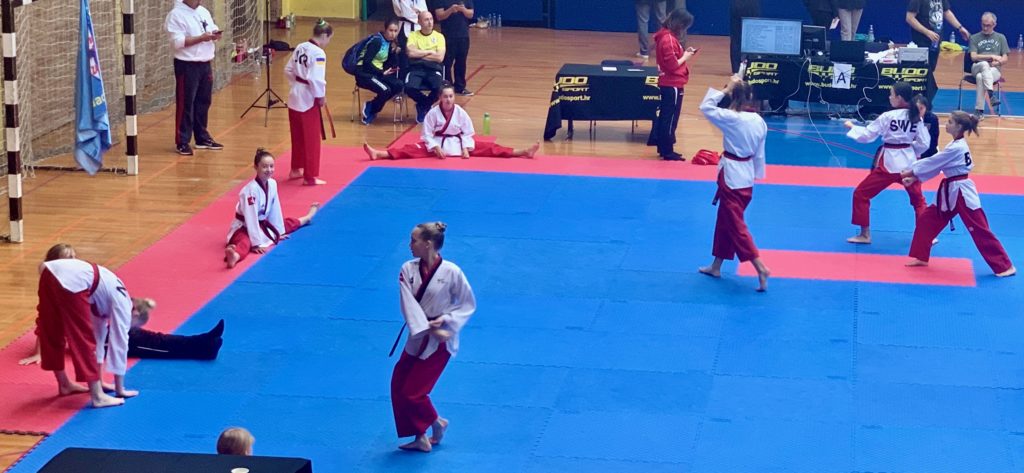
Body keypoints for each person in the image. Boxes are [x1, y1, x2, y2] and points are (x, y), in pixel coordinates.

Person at [391, 222, 476, 452]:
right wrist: (428, 328)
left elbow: (467, 304)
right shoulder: (407, 269)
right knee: (398, 384)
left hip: (440, 341)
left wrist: (445, 320)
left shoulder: (451, 271)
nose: (410, 245)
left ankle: (437, 423)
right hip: (419, 333)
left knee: (414, 393)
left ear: (428, 244)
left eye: (414, 240)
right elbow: (408, 305)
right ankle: (421, 435)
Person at [900, 111, 1016, 277]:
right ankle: (921, 256)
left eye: (950, 122)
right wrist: (915, 177)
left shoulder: (957, 147)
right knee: (926, 220)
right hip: (950, 190)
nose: (946, 124)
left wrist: (910, 171)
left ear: (959, 126)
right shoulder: (954, 144)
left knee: (979, 228)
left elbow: (934, 161)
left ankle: (1004, 266)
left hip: (962, 192)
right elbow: (939, 166)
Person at [35, 244, 138, 408]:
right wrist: (120, 389)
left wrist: (101, 380)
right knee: (82, 337)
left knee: (52, 329)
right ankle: (98, 396)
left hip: (49, 272)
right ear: (135, 312)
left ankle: (64, 384)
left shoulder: (104, 299)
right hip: (72, 280)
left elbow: (100, 338)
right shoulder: (123, 303)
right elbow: (119, 342)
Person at [697, 76, 771, 292]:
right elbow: (759, 154)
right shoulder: (759, 121)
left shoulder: (731, 118)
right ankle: (716, 266)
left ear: (734, 98)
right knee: (725, 221)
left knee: (736, 226)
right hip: (746, 176)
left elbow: (706, 107)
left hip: (731, 178)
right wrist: (756, 175)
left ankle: (760, 267)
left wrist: (726, 89)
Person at [843, 82, 931, 244]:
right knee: (918, 200)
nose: (890, 97)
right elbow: (924, 143)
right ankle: (926, 235)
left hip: (888, 165)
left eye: (892, 94)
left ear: (899, 98)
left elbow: (867, 136)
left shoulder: (887, 116)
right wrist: (911, 151)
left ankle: (865, 235)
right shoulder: (916, 117)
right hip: (909, 165)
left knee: (861, 194)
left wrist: (852, 127)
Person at [21, 297, 225, 364]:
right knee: (155, 345)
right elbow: (42, 328)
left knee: (156, 339)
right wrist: (39, 353)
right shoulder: (56, 310)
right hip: (104, 344)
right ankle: (204, 348)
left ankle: (203, 341)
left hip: (107, 334)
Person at [363, 83, 539, 160]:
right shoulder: (433, 113)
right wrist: (435, 147)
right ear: (440, 98)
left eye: (451, 96)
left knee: (491, 148)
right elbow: (426, 135)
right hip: (438, 144)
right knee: (409, 149)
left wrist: (466, 148)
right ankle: (379, 154)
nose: (448, 99)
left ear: (454, 97)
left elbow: (468, 133)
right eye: (445, 97)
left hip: (459, 143)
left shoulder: (460, 112)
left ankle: (524, 151)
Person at [225, 149, 320, 268]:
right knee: (246, 241)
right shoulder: (250, 191)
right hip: (244, 227)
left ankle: (307, 217)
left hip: (262, 223)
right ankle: (235, 255)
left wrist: (278, 232)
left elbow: (275, 209)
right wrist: (256, 243)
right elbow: (251, 218)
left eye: (271, 166)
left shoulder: (272, 184)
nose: (269, 170)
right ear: (256, 167)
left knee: (286, 223)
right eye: (264, 167)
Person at [165, 0, 223, 156]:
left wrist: (215, 35)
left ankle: (201, 137)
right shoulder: (176, 15)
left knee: (204, 102)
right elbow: (177, 42)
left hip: (205, 63)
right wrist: (201, 38)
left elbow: (211, 29)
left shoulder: (203, 11)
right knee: (186, 103)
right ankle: (182, 141)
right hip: (187, 65)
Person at [284, 20, 333, 186]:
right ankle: (310, 176)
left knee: (297, 135)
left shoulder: (300, 46)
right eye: (329, 39)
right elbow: (316, 79)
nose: (328, 43)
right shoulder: (319, 53)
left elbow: (288, 69)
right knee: (311, 138)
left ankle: (295, 169)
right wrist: (320, 96)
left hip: (294, 94)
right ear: (324, 35)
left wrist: (296, 83)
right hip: (308, 98)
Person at [647, 8, 695, 161]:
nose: (684, 30)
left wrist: (683, 53)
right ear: (680, 24)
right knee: (670, 117)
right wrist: (686, 56)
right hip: (671, 84)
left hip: (670, 83)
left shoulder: (667, 36)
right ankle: (667, 150)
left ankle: (664, 148)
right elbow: (673, 65)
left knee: (666, 116)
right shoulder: (668, 40)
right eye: (684, 26)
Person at [906, 0, 971, 101]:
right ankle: (920, 100)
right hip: (921, 42)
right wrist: (927, 32)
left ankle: (924, 101)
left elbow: (946, 12)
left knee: (931, 71)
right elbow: (909, 18)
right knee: (923, 74)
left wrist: (960, 28)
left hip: (935, 42)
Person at [357, 19, 404, 126]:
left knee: (399, 85)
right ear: (385, 30)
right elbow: (366, 63)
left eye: (395, 31)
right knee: (386, 90)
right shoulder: (377, 42)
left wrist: (394, 53)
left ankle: (372, 106)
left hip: (378, 74)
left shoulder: (390, 43)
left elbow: (391, 63)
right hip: (365, 74)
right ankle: (371, 111)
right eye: (390, 30)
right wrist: (381, 72)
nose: (393, 34)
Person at [405, 11, 447, 124]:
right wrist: (429, 52)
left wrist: (419, 54)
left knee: (440, 88)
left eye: (431, 19)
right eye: (426, 20)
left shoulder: (439, 37)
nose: (430, 22)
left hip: (433, 69)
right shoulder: (413, 35)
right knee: (409, 88)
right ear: (419, 22)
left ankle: (423, 105)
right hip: (416, 69)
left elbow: (439, 57)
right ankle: (425, 104)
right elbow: (410, 53)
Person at [967, 12, 1009, 118]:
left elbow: (1005, 58)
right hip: (977, 67)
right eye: (983, 25)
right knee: (984, 64)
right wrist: (991, 56)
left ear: (994, 25)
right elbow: (973, 57)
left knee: (980, 77)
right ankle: (991, 94)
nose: (985, 28)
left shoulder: (1001, 37)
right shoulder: (974, 37)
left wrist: (998, 62)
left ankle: (979, 111)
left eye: (988, 25)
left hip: (994, 70)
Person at [433, 0, 475, 96]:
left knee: (461, 62)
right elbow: (439, 16)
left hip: (463, 35)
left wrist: (463, 9)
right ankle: (447, 86)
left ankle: (460, 87)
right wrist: (450, 10)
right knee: (447, 63)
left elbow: (471, 14)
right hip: (448, 36)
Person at [393, 0, 428, 72]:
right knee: (403, 53)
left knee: (420, 52)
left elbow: (424, 12)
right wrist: (415, 13)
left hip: (418, 27)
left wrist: (417, 13)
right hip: (404, 27)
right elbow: (404, 13)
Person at [730, 0, 761, 74]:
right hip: (750, 5)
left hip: (739, 5)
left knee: (737, 38)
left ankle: (736, 69)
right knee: (752, 35)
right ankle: (750, 66)